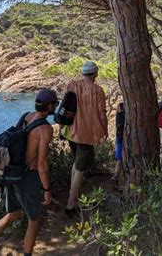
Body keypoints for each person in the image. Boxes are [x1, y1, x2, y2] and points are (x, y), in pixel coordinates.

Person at [0, 89, 58, 256]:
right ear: (49, 106)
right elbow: (41, 164)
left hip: (11, 173)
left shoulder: (26, 116)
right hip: (27, 177)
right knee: (33, 220)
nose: (56, 106)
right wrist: (47, 190)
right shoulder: (45, 129)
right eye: (55, 104)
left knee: (13, 214)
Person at [64, 61, 108, 217]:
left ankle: (72, 197)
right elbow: (102, 113)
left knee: (76, 164)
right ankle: (70, 205)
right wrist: (105, 130)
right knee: (80, 168)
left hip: (71, 131)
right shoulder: (97, 90)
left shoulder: (72, 85)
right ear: (95, 74)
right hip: (87, 133)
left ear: (83, 73)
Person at [111, 102, 125, 188]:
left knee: (120, 158)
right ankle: (117, 178)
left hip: (119, 135)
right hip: (125, 137)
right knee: (122, 159)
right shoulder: (127, 107)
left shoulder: (120, 106)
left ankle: (116, 177)